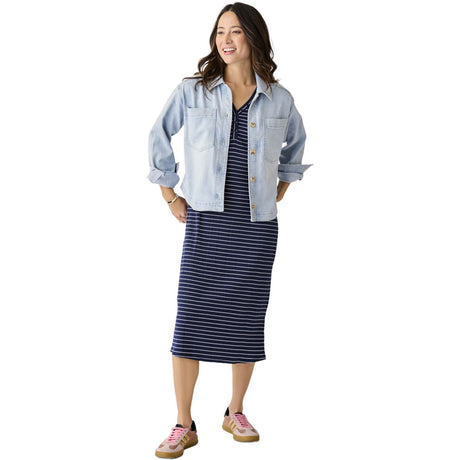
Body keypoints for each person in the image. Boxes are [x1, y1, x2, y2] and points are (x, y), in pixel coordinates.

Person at [147, 3, 312, 457]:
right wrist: (169, 194)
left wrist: (282, 185)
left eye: (236, 31)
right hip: (206, 220)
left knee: (245, 319)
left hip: (256, 226)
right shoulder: (192, 91)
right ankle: (183, 424)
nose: (226, 39)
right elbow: (158, 136)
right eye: (220, 31)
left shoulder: (279, 98)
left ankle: (234, 411)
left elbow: (296, 143)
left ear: (253, 38)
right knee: (189, 320)